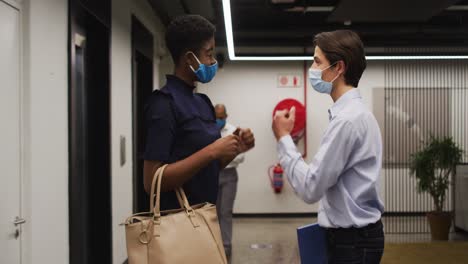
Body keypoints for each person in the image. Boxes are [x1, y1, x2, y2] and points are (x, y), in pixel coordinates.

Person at [272, 30, 385, 264]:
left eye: (317, 61)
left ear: (338, 68)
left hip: (353, 242)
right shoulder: (354, 115)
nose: (312, 69)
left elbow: (311, 187)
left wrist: (283, 138)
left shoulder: (347, 120)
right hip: (353, 237)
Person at [143, 15, 255, 215]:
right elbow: (152, 182)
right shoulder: (164, 104)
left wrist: (235, 147)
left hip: (205, 217)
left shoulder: (202, 102)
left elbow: (206, 170)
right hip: (178, 223)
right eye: (209, 54)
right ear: (189, 59)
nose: (213, 61)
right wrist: (212, 150)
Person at [214, 104, 246, 259]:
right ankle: (214, 245)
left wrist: (222, 158)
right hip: (212, 175)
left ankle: (226, 246)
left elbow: (240, 156)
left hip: (229, 175)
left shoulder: (233, 131)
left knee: (225, 212)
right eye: (216, 117)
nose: (218, 120)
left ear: (226, 116)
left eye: (221, 117)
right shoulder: (208, 131)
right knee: (212, 213)